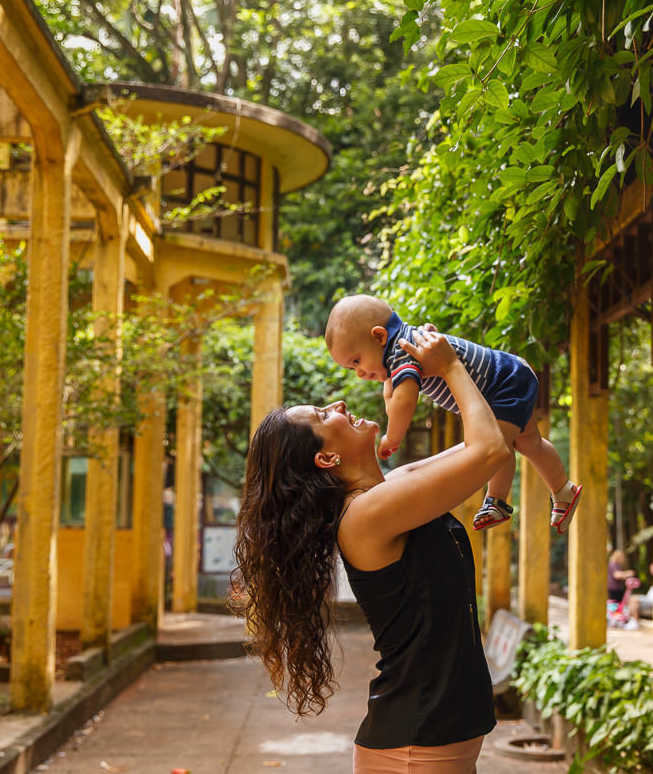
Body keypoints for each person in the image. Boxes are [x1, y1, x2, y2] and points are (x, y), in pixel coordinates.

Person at [232, 327, 511, 772]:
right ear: (326, 459)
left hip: (428, 735)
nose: (339, 405)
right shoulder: (364, 516)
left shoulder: (391, 490)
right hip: (416, 743)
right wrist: (451, 366)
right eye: (325, 415)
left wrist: (494, 377)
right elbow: (490, 450)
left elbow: (493, 439)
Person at [324, 294, 581, 534]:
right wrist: (387, 384)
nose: (358, 372)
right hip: (509, 376)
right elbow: (396, 395)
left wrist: (392, 438)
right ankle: (563, 490)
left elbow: (404, 403)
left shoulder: (402, 351)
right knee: (528, 441)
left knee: (498, 443)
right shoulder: (404, 344)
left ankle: (498, 500)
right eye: (351, 368)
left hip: (503, 382)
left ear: (379, 336)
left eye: (356, 361)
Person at [607, 549, 642, 630]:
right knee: (615, 605)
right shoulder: (613, 564)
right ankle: (615, 620)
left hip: (617, 589)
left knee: (620, 605)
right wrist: (627, 573)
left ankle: (618, 620)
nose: (623, 559)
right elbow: (616, 575)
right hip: (613, 589)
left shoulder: (616, 565)